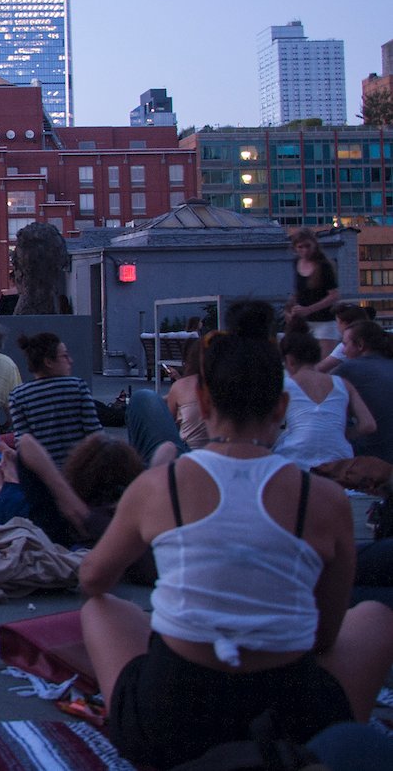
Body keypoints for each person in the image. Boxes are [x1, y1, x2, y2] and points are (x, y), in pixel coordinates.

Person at [79, 315, 393, 769]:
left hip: (172, 723)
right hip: (292, 714)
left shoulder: (161, 484)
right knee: (375, 618)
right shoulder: (323, 498)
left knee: (103, 609)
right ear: (281, 407)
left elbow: (93, 580)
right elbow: (323, 634)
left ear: (202, 402)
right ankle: (308, 751)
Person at [5, 332, 104, 544]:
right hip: (83, 478)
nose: (70, 360)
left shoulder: (18, 395)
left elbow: (24, 444)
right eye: (65, 356)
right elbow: (96, 437)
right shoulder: (77, 387)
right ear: (49, 362)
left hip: (43, 488)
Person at [277, 327, 374, 470]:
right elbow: (368, 425)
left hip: (295, 458)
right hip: (339, 459)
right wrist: (342, 434)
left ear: (290, 360)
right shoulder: (343, 384)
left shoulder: (284, 385)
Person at [333, 320, 393, 463]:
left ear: (360, 345)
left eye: (345, 344)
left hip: (373, 455)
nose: (342, 350)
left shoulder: (348, 369)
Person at [285, 227, 341, 359]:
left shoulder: (324, 266)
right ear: (295, 248)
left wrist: (309, 309)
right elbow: (299, 292)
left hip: (324, 322)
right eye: (300, 247)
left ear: (314, 245)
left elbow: (334, 295)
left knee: (323, 362)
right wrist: (290, 308)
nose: (304, 250)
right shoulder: (296, 263)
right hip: (303, 323)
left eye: (307, 246)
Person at [165, 338, 211, 452]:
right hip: (219, 449)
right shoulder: (224, 385)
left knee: (142, 398)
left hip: (189, 450)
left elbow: (169, 424)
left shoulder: (181, 387)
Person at [315, 304, 372, 373]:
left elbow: (319, 368)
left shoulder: (348, 345)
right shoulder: (376, 339)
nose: (336, 326)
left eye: (337, 322)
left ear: (345, 324)